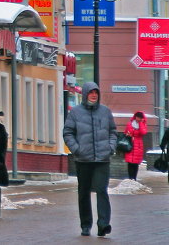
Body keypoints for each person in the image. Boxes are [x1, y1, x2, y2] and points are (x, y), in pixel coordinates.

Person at [63, 82, 117, 237]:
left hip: (102, 159)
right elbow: (68, 132)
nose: (94, 95)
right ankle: (86, 225)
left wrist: (110, 147)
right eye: (91, 92)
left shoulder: (105, 112)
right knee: (84, 192)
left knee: (102, 190)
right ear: (85, 94)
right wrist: (77, 149)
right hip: (83, 160)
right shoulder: (75, 113)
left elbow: (113, 131)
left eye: (96, 93)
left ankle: (103, 224)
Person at [123, 111, 148, 181]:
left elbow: (143, 132)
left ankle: (134, 178)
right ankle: (130, 178)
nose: (138, 119)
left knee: (135, 163)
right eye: (137, 117)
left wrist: (140, 124)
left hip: (138, 145)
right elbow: (125, 132)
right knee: (130, 162)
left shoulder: (143, 124)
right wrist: (128, 134)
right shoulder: (130, 124)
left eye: (140, 118)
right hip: (130, 144)